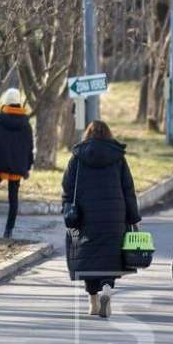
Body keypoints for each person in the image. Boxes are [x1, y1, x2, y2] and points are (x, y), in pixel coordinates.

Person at [63, 120, 141, 318]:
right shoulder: (118, 158)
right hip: (115, 214)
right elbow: (128, 190)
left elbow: (67, 187)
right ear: (108, 134)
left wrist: (67, 210)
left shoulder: (77, 158)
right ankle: (107, 288)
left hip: (85, 214)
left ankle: (93, 302)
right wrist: (134, 218)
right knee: (109, 255)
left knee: (90, 257)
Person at [0, 88, 34, 239]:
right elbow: (29, 146)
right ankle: (8, 231)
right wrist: (27, 167)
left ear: (5, 101)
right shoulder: (26, 124)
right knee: (13, 199)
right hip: (17, 167)